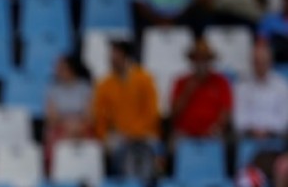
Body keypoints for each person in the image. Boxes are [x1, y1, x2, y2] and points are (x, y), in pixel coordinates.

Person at [91, 39, 161, 179]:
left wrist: (134, 133)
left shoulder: (145, 79)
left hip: (145, 133)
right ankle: (122, 186)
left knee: (157, 149)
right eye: (111, 56)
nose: (112, 60)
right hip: (118, 135)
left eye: (115, 56)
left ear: (126, 57)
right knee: (112, 147)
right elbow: (100, 117)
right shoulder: (104, 84)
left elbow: (152, 112)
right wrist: (104, 137)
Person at [170, 38, 233, 140]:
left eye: (204, 59)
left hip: (212, 135)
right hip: (185, 134)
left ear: (210, 61)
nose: (201, 63)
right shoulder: (181, 82)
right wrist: (187, 92)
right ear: (192, 61)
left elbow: (226, 111)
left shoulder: (221, 82)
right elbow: (173, 114)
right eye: (197, 59)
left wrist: (216, 128)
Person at [234, 40, 288, 140]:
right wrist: (253, 130)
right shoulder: (241, 86)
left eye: (263, 62)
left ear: (270, 62)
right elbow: (239, 118)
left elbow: (284, 118)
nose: (260, 66)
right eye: (257, 62)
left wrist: (267, 130)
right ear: (252, 62)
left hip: (275, 139)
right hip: (248, 139)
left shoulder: (282, 86)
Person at [44, 55, 93, 157]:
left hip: (81, 126)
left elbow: (89, 115)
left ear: (71, 70)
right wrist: (67, 125)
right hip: (60, 127)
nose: (58, 71)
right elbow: (51, 117)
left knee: (89, 135)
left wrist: (77, 126)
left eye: (62, 68)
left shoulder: (84, 88)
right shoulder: (53, 90)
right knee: (52, 136)